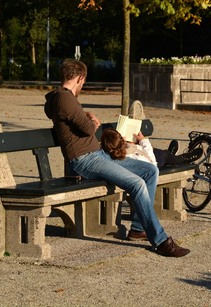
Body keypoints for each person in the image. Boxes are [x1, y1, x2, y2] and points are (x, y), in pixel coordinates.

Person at [44, 58, 190, 257]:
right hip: (84, 160)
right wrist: (92, 121)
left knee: (150, 170)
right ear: (80, 78)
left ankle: (138, 229)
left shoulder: (60, 98)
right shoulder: (65, 98)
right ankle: (161, 240)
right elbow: (88, 130)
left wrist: (84, 114)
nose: (83, 85)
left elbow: (71, 117)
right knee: (136, 183)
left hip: (97, 155)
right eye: (83, 81)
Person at [100, 128, 202, 168]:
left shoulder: (113, 153)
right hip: (153, 161)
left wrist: (130, 144)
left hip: (143, 153)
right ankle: (184, 158)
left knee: (159, 152)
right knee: (164, 155)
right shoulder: (131, 156)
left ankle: (170, 153)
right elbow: (151, 163)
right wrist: (143, 140)